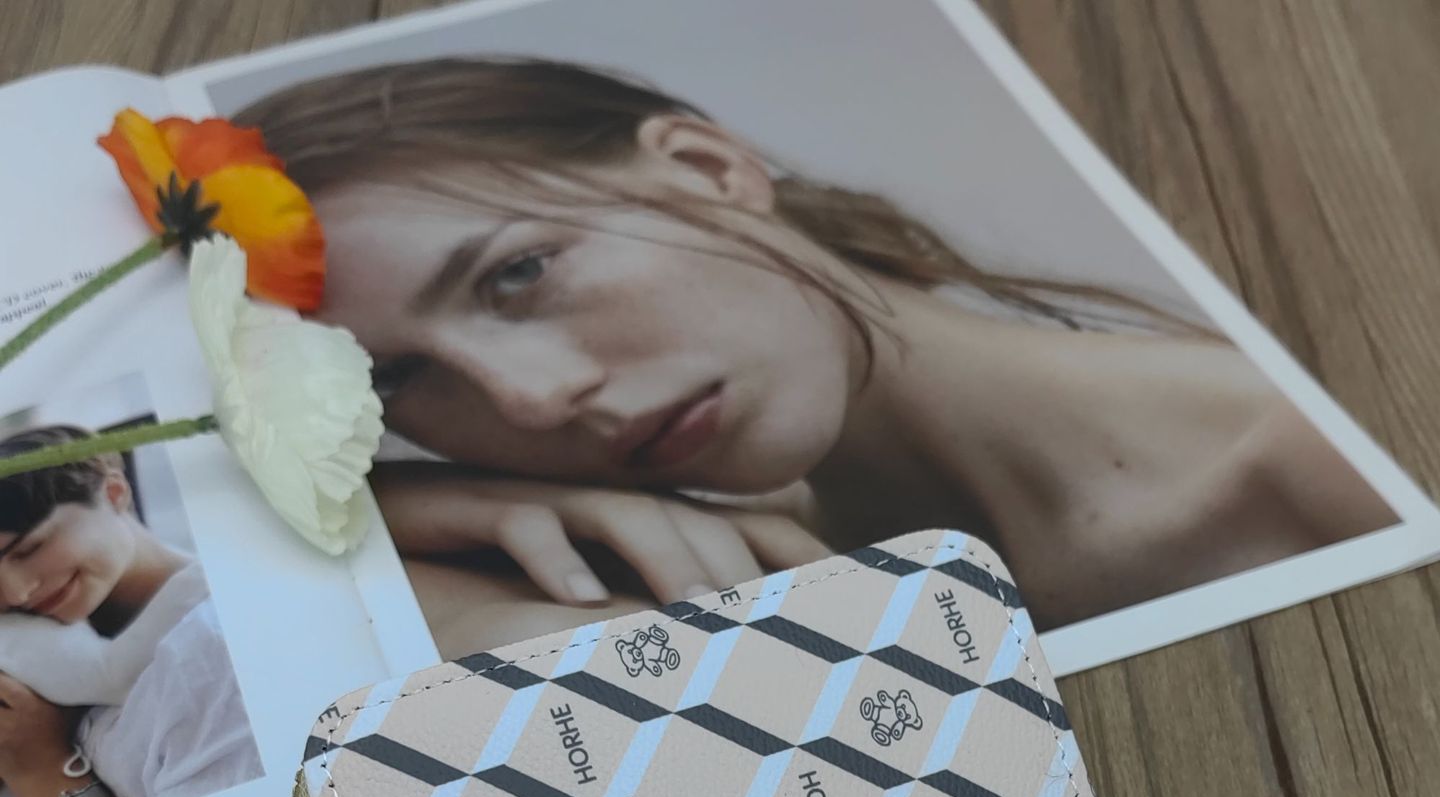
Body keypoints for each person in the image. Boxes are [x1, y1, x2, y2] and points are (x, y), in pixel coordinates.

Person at [244, 55, 1393, 647]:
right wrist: (395, 516)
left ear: (707, 170)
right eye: (398, 380)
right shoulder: (708, 573)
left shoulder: (1328, 466)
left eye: (519, 273)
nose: (532, 403)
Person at [0, 426, 262, 797]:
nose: (16, 593)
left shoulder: (215, 648)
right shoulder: (42, 643)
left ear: (114, 493)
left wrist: (44, 770)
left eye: (30, 549)